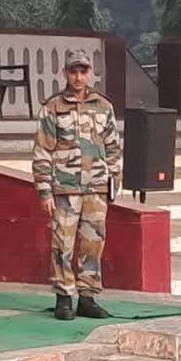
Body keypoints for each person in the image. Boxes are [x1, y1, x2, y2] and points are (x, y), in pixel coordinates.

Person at [32, 49, 122, 321]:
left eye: (83, 71)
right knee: (63, 244)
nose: (79, 77)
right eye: (73, 72)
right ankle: (63, 297)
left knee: (93, 244)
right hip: (65, 187)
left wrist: (114, 183)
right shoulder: (53, 107)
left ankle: (87, 297)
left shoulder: (103, 106)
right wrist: (44, 191)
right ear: (65, 73)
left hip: (96, 188)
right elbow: (43, 151)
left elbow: (113, 147)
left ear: (90, 73)